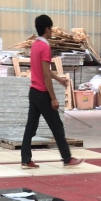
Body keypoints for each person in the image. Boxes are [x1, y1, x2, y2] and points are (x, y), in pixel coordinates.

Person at [21, 14, 82, 170]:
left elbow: (45, 70)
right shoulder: (45, 47)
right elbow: (46, 74)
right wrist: (53, 98)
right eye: (51, 28)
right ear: (47, 29)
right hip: (42, 93)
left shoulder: (35, 45)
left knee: (30, 128)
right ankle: (67, 158)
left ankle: (26, 159)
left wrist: (59, 79)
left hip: (33, 92)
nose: (51, 31)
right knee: (57, 126)